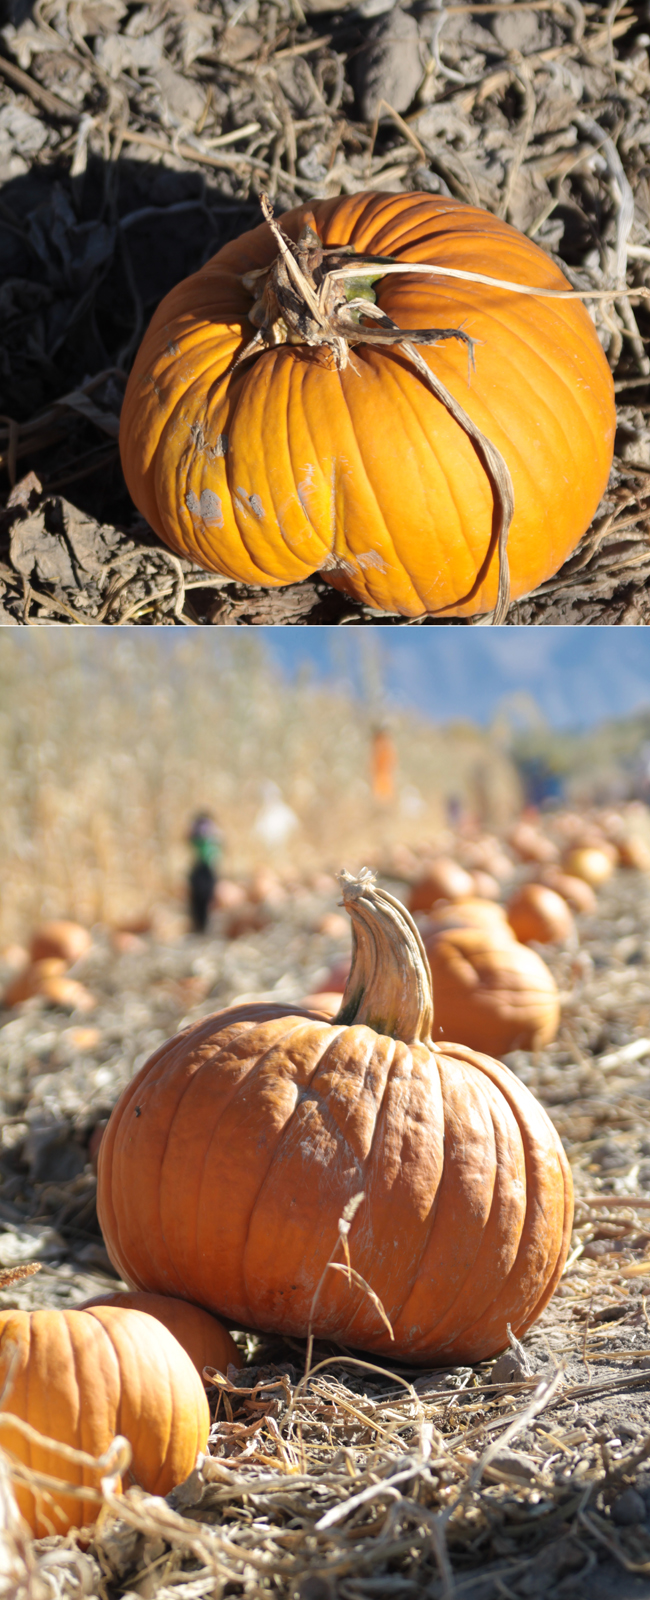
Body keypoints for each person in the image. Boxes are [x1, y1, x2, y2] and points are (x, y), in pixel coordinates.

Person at [188, 813, 222, 933]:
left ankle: (204, 926)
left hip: (207, 869)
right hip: (201, 869)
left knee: (207, 899)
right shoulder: (199, 834)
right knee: (199, 900)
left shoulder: (212, 834)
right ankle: (199, 926)